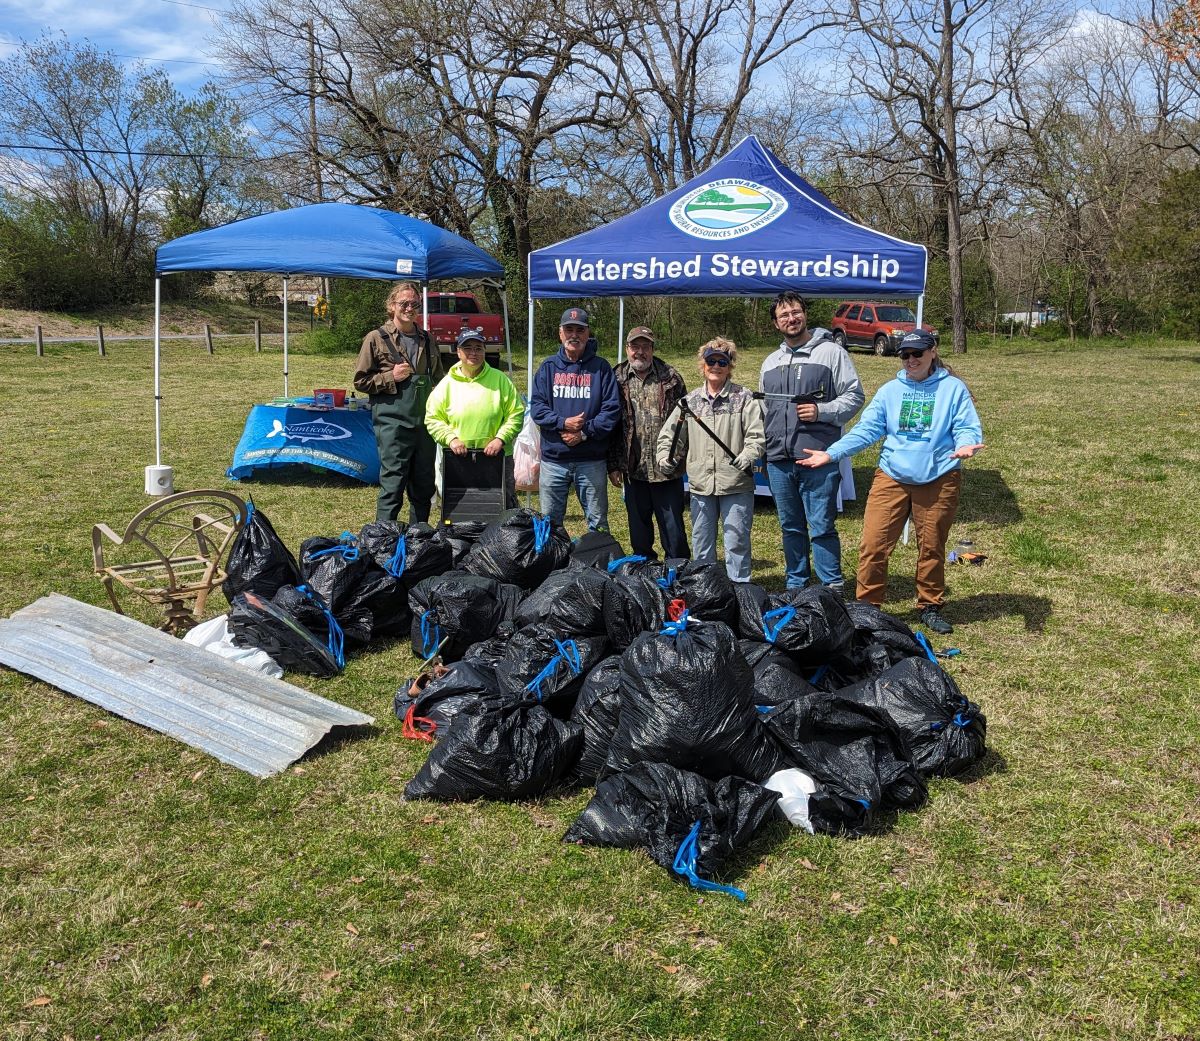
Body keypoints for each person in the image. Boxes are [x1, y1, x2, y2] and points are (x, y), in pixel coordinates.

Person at [798, 330, 984, 634]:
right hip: (892, 476)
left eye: (917, 354)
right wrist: (831, 454)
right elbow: (866, 430)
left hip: (939, 476)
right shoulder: (890, 391)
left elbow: (966, 426)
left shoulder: (953, 389)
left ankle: (929, 605)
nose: (911, 360)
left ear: (933, 351)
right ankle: (866, 609)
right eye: (905, 355)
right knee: (873, 545)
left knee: (932, 547)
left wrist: (965, 445)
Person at [760, 292, 865, 593]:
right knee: (790, 527)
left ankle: (831, 587)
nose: (791, 318)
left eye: (796, 312)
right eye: (784, 315)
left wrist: (823, 411)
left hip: (817, 457)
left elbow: (854, 396)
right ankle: (796, 584)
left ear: (805, 313)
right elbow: (766, 409)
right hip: (779, 460)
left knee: (821, 527)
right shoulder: (770, 362)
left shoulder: (831, 353)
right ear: (776, 323)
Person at [656, 337, 764, 583]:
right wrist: (665, 457)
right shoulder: (689, 402)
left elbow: (757, 437)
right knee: (702, 544)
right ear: (702, 365)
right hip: (701, 486)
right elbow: (669, 437)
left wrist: (747, 456)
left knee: (736, 541)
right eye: (711, 361)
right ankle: (706, 591)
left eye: (722, 362)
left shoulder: (744, 398)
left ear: (730, 366)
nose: (716, 366)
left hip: (735, 484)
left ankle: (740, 589)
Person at [353, 281, 445, 523]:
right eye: (404, 303)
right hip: (392, 424)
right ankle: (382, 540)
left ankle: (421, 539)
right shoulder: (376, 339)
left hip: (425, 425)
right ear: (391, 306)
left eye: (414, 304)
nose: (409, 308)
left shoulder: (427, 339)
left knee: (424, 487)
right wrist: (390, 377)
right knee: (392, 486)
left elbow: (439, 381)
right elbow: (361, 381)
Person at [529, 306, 621, 531]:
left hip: (591, 460)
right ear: (560, 334)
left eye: (580, 330)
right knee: (549, 524)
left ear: (588, 334)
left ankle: (598, 564)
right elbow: (537, 408)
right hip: (554, 461)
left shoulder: (601, 368)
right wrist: (563, 423)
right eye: (569, 330)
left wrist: (583, 432)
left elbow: (611, 411)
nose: (574, 335)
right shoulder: (548, 368)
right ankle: (552, 565)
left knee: (598, 523)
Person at [606, 325, 690, 560]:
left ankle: (678, 571)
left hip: (667, 469)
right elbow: (611, 425)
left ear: (652, 349)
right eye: (635, 346)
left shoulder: (670, 377)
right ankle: (645, 574)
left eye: (645, 347)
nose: (639, 352)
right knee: (639, 532)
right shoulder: (616, 378)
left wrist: (680, 456)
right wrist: (613, 464)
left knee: (674, 531)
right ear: (627, 348)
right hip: (634, 470)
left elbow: (685, 421)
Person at [424, 328, 526, 509]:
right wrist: (451, 439)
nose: (474, 353)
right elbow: (432, 418)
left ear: (485, 351)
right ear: (458, 352)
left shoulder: (500, 380)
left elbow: (515, 413)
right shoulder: (446, 384)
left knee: (503, 509)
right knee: (460, 511)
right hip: (457, 459)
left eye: (478, 348)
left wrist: (500, 439)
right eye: (468, 348)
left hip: (498, 457)